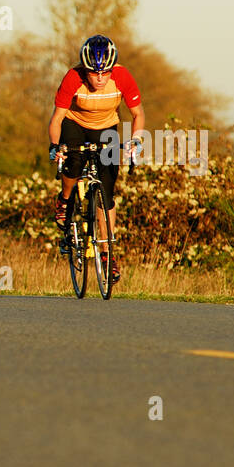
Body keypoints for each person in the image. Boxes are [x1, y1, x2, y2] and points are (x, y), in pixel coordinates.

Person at [47, 34, 144, 285]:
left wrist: (135, 141)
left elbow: (137, 113)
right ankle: (65, 199)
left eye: (105, 73)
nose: (100, 78)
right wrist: (56, 147)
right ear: (85, 69)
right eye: (93, 73)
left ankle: (107, 254)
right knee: (74, 163)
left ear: (112, 69)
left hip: (107, 127)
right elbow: (57, 119)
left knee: (107, 193)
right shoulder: (72, 78)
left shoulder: (122, 77)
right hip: (74, 124)